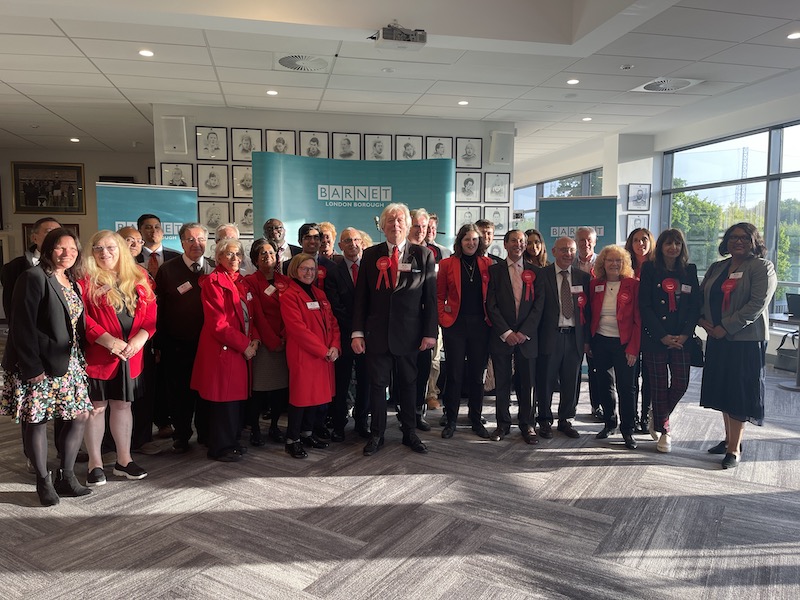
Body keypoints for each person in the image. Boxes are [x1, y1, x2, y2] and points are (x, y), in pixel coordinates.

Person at [0, 228, 92, 505]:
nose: (67, 254)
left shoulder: (71, 280)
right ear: (48, 249)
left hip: (69, 363)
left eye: (73, 249)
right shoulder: (33, 277)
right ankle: (43, 480)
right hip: (39, 365)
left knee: (79, 417)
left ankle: (66, 476)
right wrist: (31, 368)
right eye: (61, 248)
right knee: (37, 422)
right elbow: (21, 326)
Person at [352, 203, 437, 456]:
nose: (395, 224)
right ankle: (377, 433)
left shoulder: (423, 255)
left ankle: (409, 432)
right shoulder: (370, 255)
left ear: (408, 225)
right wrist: (357, 333)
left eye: (400, 220)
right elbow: (361, 298)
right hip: (376, 334)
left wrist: (429, 332)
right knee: (377, 386)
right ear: (382, 226)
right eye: (390, 220)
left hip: (410, 335)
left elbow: (430, 299)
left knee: (409, 385)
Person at [699, 222, 777, 469]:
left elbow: (757, 304)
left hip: (744, 341)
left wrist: (726, 326)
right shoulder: (718, 267)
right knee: (724, 390)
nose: (738, 241)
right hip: (716, 338)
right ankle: (729, 439)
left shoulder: (761, 267)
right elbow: (702, 297)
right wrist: (704, 321)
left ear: (754, 240)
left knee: (739, 393)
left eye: (744, 237)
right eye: (733, 237)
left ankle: (734, 449)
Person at [82, 231, 156, 485]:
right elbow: (82, 318)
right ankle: (95, 464)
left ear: (121, 249)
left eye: (111, 247)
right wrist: (109, 341)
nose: (105, 253)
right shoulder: (85, 280)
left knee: (123, 406)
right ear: (91, 252)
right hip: (99, 356)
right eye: (99, 248)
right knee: (96, 408)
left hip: (131, 355)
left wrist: (140, 339)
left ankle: (124, 460)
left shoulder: (139, 276)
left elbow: (151, 313)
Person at [191, 238, 260, 462]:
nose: (234, 258)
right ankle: (220, 447)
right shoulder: (213, 282)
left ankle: (230, 442)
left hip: (240, 349)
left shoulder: (243, 282)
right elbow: (218, 324)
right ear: (218, 257)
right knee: (224, 401)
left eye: (238, 254)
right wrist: (244, 346)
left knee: (234, 400)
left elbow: (252, 317)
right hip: (223, 349)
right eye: (229, 254)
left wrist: (255, 340)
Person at [154, 223, 215, 454]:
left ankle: (206, 433)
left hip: (209, 345)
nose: (196, 244)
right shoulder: (168, 270)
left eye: (200, 239)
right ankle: (181, 435)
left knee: (206, 392)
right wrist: (160, 344)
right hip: (177, 346)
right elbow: (158, 309)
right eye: (190, 239)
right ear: (181, 243)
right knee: (180, 393)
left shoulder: (213, 267)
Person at [639, 228, 701, 453]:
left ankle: (657, 416)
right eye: (668, 243)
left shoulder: (689, 271)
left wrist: (685, 334)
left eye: (677, 244)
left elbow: (696, 306)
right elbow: (644, 306)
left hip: (682, 339)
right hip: (656, 339)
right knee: (657, 385)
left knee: (680, 384)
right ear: (661, 247)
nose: (673, 248)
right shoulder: (649, 269)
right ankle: (665, 432)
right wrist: (662, 336)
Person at [486, 229, 545, 444]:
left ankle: (528, 424)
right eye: (514, 240)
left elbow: (539, 306)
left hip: (527, 339)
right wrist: (507, 333)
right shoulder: (495, 271)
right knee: (502, 383)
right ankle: (503, 424)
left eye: (522, 241)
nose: (518, 244)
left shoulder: (537, 272)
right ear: (505, 244)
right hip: (503, 337)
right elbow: (490, 305)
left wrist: (524, 332)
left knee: (527, 384)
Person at [280, 254, 341, 458]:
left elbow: (332, 323)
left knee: (316, 398)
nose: (309, 273)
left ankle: (307, 433)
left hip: (324, 355)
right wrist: (324, 351)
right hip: (304, 355)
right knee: (300, 398)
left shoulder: (318, 293)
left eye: (312, 269)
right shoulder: (289, 295)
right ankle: (292, 440)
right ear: (294, 270)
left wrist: (334, 346)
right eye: (304, 269)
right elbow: (298, 330)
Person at [437, 224, 492, 439]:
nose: (471, 243)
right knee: (455, 374)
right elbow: (439, 295)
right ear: (460, 241)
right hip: (455, 325)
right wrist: (443, 319)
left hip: (481, 325)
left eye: (475, 240)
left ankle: (476, 420)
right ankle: (450, 420)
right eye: (467, 239)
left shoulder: (488, 264)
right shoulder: (447, 264)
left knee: (478, 376)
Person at [535, 236, 591, 440]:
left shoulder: (582, 278)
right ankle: (544, 420)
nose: (568, 254)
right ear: (554, 251)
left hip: (574, 337)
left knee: (571, 382)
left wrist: (586, 340)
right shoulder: (542, 275)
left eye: (572, 250)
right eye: (564, 250)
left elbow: (588, 312)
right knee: (546, 381)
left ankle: (566, 420)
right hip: (550, 337)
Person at [589, 245, 641, 450]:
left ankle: (628, 429)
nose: (614, 264)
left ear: (624, 263)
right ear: (603, 263)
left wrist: (633, 348)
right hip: (600, 341)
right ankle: (610, 422)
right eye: (610, 260)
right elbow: (589, 316)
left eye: (618, 261)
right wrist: (589, 342)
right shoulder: (595, 284)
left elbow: (638, 319)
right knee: (604, 384)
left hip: (625, 344)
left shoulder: (633, 285)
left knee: (627, 388)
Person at [325, 228, 370, 441]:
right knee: (341, 382)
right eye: (347, 241)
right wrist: (354, 330)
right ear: (340, 246)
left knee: (365, 380)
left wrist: (363, 329)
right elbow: (336, 306)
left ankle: (362, 422)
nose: (352, 244)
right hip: (343, 334)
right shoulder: (333, 271)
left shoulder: (372, 268)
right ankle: (339, 424)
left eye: (356, 240)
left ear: (362, 243)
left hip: (369, 336)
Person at [244, 239, 289, 445]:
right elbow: (257, 315)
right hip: (263, 344)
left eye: (271, 253)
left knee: (280, 389)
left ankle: (274, 428)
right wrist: (272, 341)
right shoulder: (250, 281)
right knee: (259, 391)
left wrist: (283, 336)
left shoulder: (284, 280)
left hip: (283, 341)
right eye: (262, 253)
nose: (267, 256)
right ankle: (254, 429)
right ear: (255, 259)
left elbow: (290, 311)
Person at [625, 227, 656, 432]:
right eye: (636, 240)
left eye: (644, 239)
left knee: (650, 377)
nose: (640, 244)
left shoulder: (656, 267)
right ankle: (632, 417)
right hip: (629, 329)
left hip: (652, 328)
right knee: (631, 376)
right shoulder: (625, 266)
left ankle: (646, 416)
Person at [573, 225, 601, 419]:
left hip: (596, 321)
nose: (585, 243)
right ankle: (570, 407)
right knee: (572, 368)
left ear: (595, 242)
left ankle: (596, 405)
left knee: (596, 368)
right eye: (581, 240)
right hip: (574, 320)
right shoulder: (568, 261)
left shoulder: (603, 262)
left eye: (589, 240)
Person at [137, 214, 181, 279]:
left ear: (162, 231)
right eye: (148, 227)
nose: (154, 231)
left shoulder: (177, 257)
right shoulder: (132, 258)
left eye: (157, 227)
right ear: (139, 232)